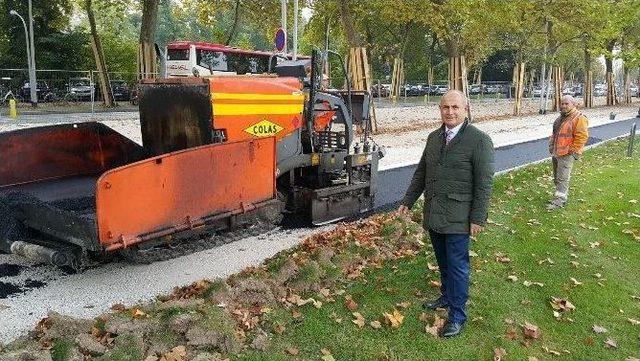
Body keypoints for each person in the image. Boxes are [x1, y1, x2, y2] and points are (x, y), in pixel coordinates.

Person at [398, 90, 495, 338]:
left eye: (455, 107)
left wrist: (478, 218)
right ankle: (446, 295)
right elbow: (421, 172)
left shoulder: (479, 140)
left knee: (458, 267)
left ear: (466, 109)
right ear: (440, 110)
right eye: (445, 108)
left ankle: (457, 315)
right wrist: (408, 201)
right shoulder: (433, 138)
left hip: (459, 217)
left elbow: (484, 183)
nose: (450, 112)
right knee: (443, 262)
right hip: (434, 214)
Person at [546, 95, 589, 210]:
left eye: (566, 104)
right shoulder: (561, 118)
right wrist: (551, 146)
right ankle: (559, 196)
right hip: (557, 152)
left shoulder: (579, 118)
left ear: (573, 105)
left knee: (562, 178)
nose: (564, 106)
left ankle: (559, 201)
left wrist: (572, 152)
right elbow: (555, 134)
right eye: (562, 104)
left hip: (567, 154)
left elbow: (582, 137)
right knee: (557, 177)